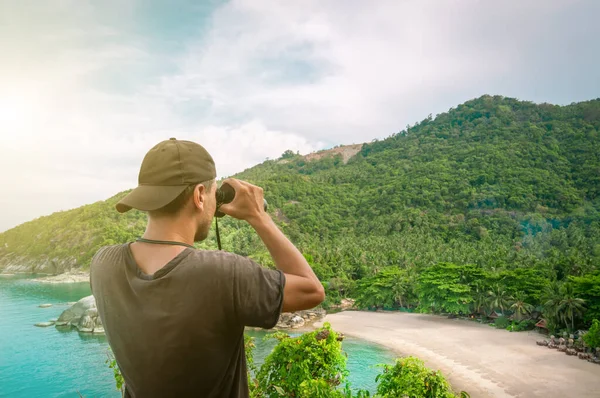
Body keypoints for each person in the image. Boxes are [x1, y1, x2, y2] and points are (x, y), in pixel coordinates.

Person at [90, 138, 325, 398]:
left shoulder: (103, 264)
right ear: (199, 195)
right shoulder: (223, 273)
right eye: (214, 194)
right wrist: (259, 216)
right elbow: (311, 290)